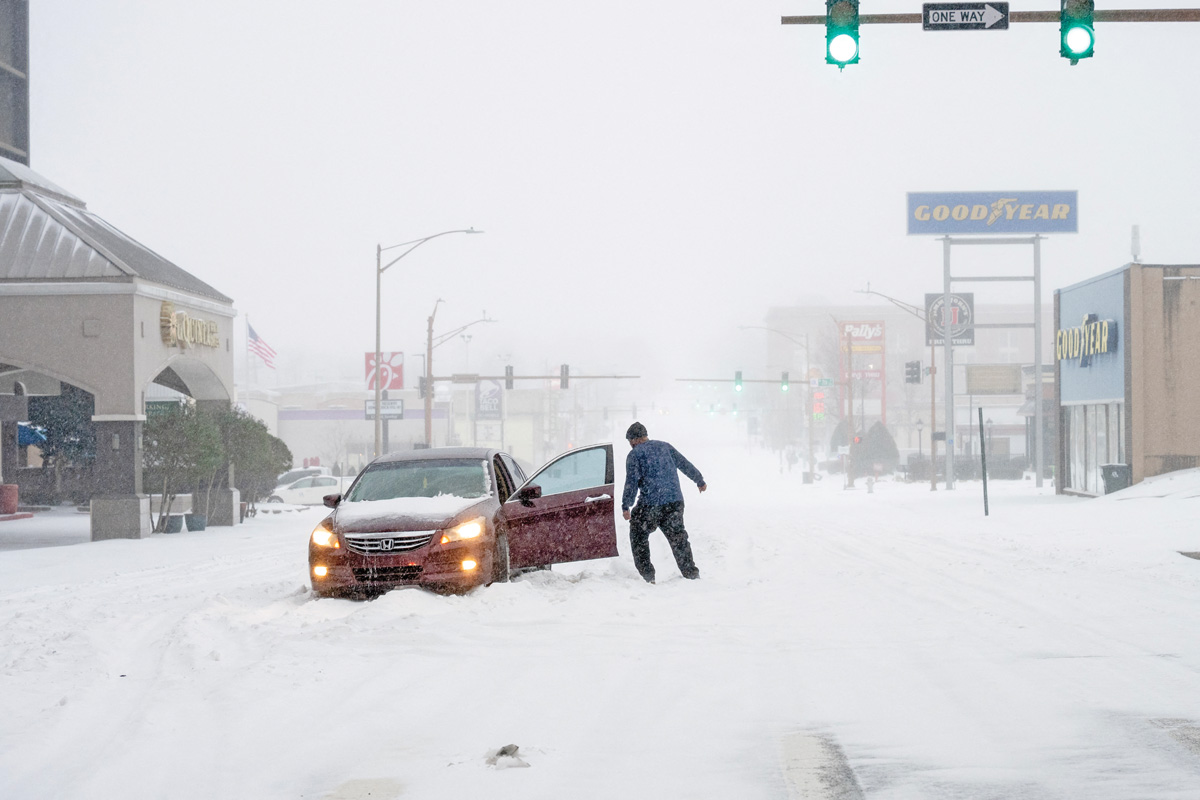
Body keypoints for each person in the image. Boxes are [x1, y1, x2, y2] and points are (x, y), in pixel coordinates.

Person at [621, 421, 707, 584]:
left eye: (630, 442)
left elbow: (631, 482)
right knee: (678, 538)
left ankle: (647, 576)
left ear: (634, 440)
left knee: (638, 535)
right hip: (674, 502)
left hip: (650, 505)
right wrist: (699, 480)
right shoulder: (665, 447)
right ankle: (691, 574)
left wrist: (626, 505)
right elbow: (684, 464)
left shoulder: (635, 454)